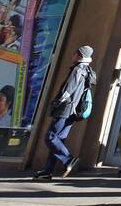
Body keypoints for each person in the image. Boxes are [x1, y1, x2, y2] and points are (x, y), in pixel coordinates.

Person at [35, 46, 97, 180]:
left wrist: (57, 102)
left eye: (75, 53)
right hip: (75, 110)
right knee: (59, 139)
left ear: (80, 55)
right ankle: (48, 171)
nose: (72, 55)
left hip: (66, 108)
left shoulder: (77, 70)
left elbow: (68, 90)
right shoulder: (88, 71)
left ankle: (69, 160)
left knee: (50, 137)